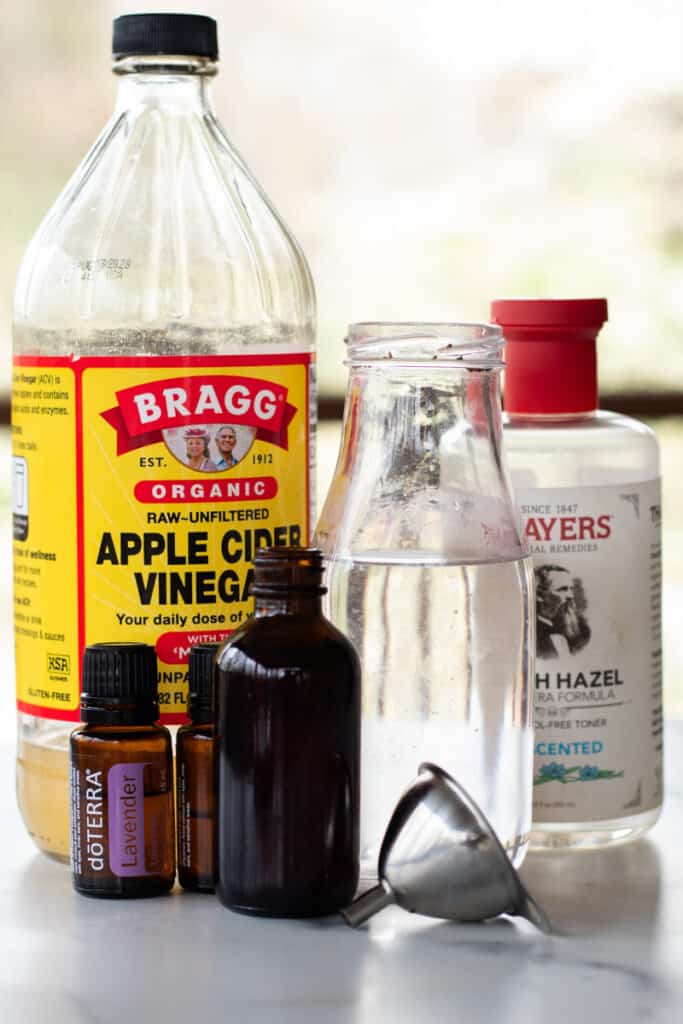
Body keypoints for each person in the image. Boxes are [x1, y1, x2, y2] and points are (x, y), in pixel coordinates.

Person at [535, 564, 591, 659]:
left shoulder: (581, 630)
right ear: (539, 596)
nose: (571, 596)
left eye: (570, 589)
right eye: (562, 589)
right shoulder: (531, 636)